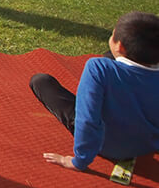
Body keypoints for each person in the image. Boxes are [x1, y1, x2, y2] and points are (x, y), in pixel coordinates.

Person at [30, 11, 159, 174]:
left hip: (105, 145)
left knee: (40, 81)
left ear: (119, 46)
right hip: (146, 144)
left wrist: (79, 161)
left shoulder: (99, 68)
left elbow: (87, 118)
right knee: (108, 57)